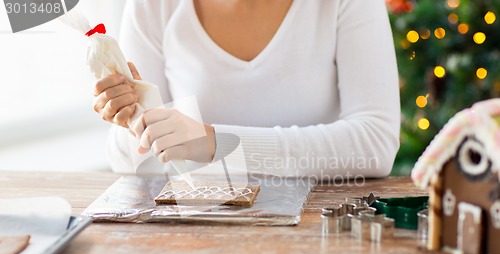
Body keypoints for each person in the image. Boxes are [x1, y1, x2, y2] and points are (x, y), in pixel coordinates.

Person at [92, 0, 400, 180]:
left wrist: (216, 143)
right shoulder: (153, 6)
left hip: (324, 228)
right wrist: (134, 125)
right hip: (199, 236)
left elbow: (376, 142)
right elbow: (128, 160)